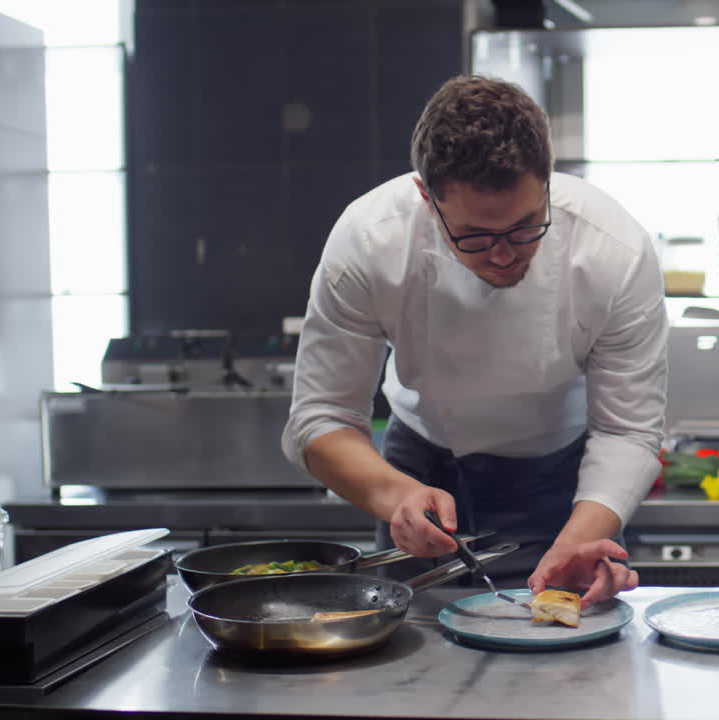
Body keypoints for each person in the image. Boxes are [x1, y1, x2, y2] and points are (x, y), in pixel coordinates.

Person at [281, 74, 668, 607]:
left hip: (566, 487)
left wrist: (578, 541)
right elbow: (319, 418)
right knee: (407, 671)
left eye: (528, 226)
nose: (505, 254)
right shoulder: (369, 240)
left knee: (573, 676)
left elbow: (628, 430)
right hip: (418, 471)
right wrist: (398, 497)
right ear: (425, 195)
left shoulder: (614, 251)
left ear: (548, 181)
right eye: (475, 236)